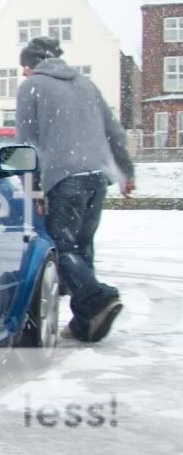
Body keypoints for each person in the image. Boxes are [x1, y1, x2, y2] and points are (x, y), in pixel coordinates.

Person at [15, 36, 135, 343]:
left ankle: (99, 297)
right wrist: (126, 171)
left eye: (24, 68)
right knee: (82, 249)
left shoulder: (32, 87)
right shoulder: (86, 85)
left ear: (32, 64)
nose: (23, 74)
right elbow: (114, 133)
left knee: (61, 246)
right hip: (97, 177)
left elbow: (26, 145)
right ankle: (86, 325)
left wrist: (33, 189)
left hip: (64, 178)